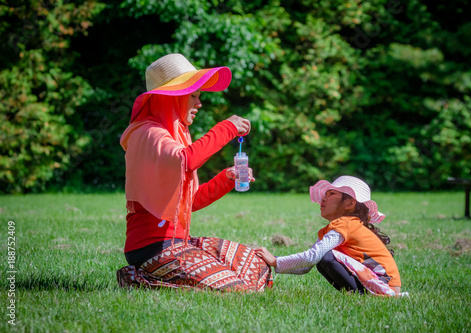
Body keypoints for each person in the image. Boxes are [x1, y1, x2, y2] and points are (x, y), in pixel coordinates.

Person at [116, 53, 272, 292]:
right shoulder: (147, 133)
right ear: (172, 97)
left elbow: (190, 201)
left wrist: (226, 179)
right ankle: (138, 277)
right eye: (194, 96)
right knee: (235, 289)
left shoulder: (175, 133)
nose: (199, 104)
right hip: (152, 250)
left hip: (179, 243)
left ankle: (159, 277)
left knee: (258, 267)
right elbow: (187, 159)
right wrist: (227, 128)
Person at [255, 176, 403, 296]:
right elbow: (308, 265)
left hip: (385, 285)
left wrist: (275, 261)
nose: (324, 198)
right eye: (325, 194)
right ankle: (358, 295)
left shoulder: (345, 224)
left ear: (350, 203)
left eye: (331, 194)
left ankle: (360, 296)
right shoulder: (337, 227)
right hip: (380, 283)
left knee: (325, 256)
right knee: (323, 258)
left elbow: (312, 257)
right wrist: (272, 264)